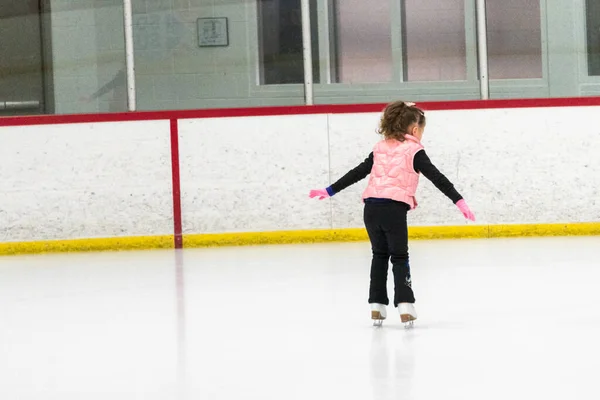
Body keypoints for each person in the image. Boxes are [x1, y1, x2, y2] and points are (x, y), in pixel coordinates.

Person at [308, 101, 475, 326]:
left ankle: (376, 307)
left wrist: (329, 190)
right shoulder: (415, 150)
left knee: (379, 255)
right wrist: (459, 200)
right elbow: (437, 177)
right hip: (393, 209)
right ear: (415, 130)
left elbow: (357, 172)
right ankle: (405, 306)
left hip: (371, 209)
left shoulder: (380, 148)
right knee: (399, 256)